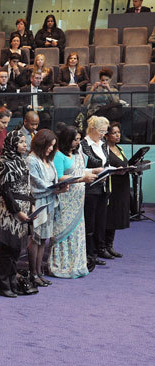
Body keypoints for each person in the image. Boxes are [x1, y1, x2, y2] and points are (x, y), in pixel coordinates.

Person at [48, 125, 96, 278]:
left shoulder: (77, 154)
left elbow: (81, 170)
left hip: (78, 199)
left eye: (79, 139)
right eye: (75, 140)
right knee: (63, 231)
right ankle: (62, 265)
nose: (78, 142)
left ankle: (77, 264)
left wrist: (96, 171)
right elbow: (59, 177)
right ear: (67, 139)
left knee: (77, 231)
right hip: (65, 198)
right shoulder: (58, 156)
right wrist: (82, 178)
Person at [0, 131, 32, 297]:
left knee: (16, 249)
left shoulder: (21, 161)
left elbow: (27, 186)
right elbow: (5, 190)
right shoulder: (3, 161)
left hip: (23, 206)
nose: (25, 144)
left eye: (25, 141)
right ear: (12, 143)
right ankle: (2, 285)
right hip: (10, 210)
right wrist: (17, 212)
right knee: (8, 248)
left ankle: (12, 281)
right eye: (21, 142)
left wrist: (30, 206)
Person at [27, 129, 64, 287]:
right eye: (49, 145)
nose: (51, 148)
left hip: (50, 202)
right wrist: (55, 188)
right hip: (38, 203)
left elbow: (53, 179)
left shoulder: (48, 160)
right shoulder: (31, 160)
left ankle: (39, 272)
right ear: (41, 143)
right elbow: (35, 185)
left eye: (53, 146)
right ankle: (33, 273)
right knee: (35, 239)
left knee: (44, 239)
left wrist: (59, 187)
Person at [81, 116, 111, 270]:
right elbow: (78, 169)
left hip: (103, 187)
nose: (103, 134)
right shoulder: (83, 145)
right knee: (90, 222)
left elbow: (106, 163)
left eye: (105, 131)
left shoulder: (103, 143)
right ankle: (89, 253)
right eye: (101, 131)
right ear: (92, 129)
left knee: (100, 220)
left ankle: (99, 249)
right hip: (89, 188)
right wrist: (93, 170)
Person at [104, 122, 130, 258]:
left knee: (116, 217)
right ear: (107, 135)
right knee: (109, 216)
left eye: (119, 132)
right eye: (114, 133)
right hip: (111, 187)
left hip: (122, 187)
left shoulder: (119, 148)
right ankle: (102, 247)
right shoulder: (104, 149)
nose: (117, 135)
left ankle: (110, 245)